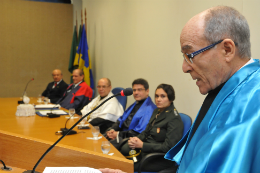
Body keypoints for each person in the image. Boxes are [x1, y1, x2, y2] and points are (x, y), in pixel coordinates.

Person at [164, 6, 260, 173]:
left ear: (227, 50)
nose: (185, 67)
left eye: (190, 55)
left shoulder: (250, 105)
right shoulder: (230, 87)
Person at [120, 84, 183, 172]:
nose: (158, 99)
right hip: (146, 152)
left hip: (159, 159)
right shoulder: (157, 111)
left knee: (124, 165)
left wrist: (142, 145)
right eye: (156, 96)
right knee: (120, 156)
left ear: (171, 99)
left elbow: (169, 148)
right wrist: (136, 140)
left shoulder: (174, 119)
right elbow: (146, 132)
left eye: (163, 96)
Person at [105, 78, 157, 148]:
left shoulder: (150, 109)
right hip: (121, 135)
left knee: (104, 146)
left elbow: (138, 133)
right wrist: (112, 129)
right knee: (100, 138)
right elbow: (121, 119)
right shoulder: (135, 104)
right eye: (134, 90)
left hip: (130, 140)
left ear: (147, 91)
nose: (136, 93)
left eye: (139, 90)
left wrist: (118, 134)